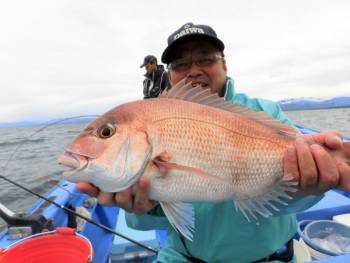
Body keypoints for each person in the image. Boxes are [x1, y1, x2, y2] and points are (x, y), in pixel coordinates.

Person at [77, 23, 350, 262]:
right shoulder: (153, 118)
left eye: (206, 58)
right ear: (170, 74)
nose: (194, 70)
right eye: (181, 64)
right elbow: (149, 217)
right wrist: (141, 207)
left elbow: (293, 203)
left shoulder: (265, 112)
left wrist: (308, 187)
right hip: (184, 258)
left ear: (224, 64)